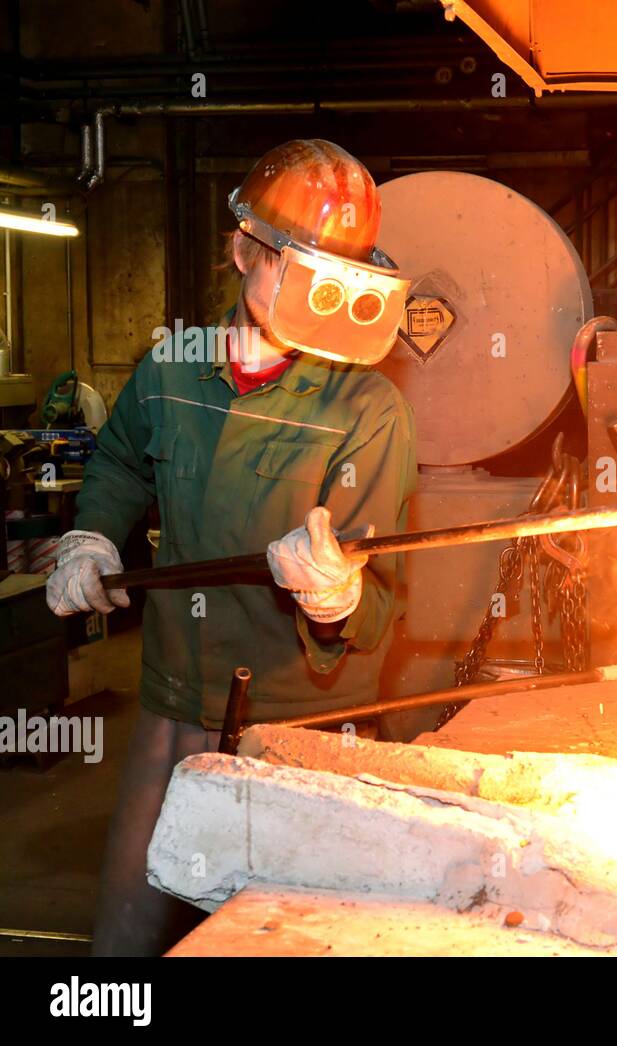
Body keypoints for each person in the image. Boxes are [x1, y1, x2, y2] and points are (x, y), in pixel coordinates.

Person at [45, 139, 418, 956]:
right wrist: (90, 535)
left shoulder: (369, 405)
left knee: (288, 941)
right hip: (177, 704)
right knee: (127, 950)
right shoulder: (171, 369)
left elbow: (381, 595)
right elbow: (118, 457)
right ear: (242, 246)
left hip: (308, 727)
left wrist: (337, 597)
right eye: (300, 266)